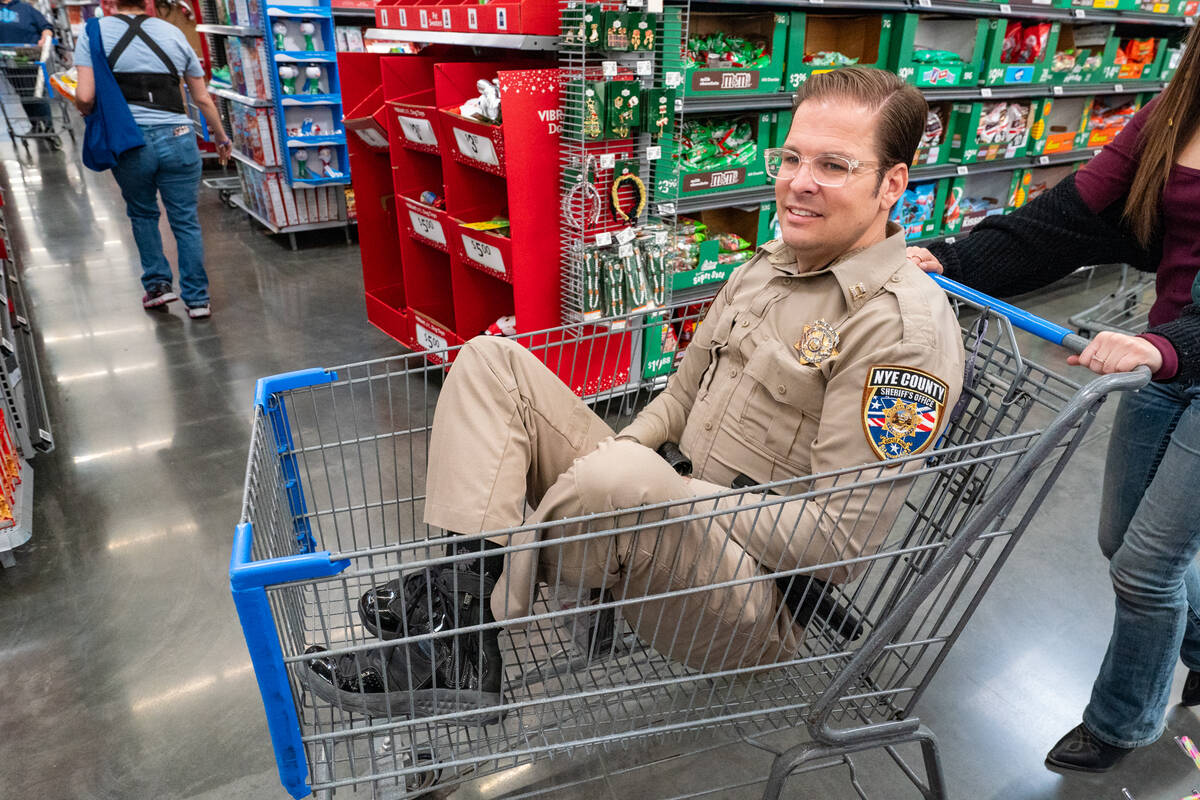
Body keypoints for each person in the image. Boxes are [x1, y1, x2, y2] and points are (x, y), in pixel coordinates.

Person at [302, 67, 966, 719]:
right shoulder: (769, 267)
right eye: (790, 157)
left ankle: (458, 619)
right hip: (660, 527)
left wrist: (644, 487)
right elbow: (677, 401)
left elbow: (838, 545)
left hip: (746, 601)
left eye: (834, 165)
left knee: (624, 475)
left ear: (892, 185)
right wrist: (612, 468)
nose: (797, 182)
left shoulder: (902, 333)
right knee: (489, 361)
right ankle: (463, 630)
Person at [905, 21, 1200, 774]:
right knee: (1121, 537)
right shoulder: (1173, 110)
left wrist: (1170, 348)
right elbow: (1070, 217)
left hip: (1172, 354)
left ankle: (1122, 720)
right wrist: (955, 259)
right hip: (1161, 358)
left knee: (1146, 566)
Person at [72, 0, 232, 318]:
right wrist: (221, 137)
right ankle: (198, 300)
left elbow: (86, 96)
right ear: (148, 2)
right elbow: (201, 98)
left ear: (112, 2)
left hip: (130, 140)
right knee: (185, 220)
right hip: (179, 137)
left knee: (143, 214)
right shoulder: (173, 33)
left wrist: (83, 107)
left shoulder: (93, 33)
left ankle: (158, 287)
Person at [0, 0, 55, 132]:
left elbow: (46, 27)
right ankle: (35, 124)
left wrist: (45, 38)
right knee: (23, 92)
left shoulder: (25, 8)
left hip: (28, 55)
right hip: (7, 57)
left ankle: (48, 127)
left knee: (37, 91)